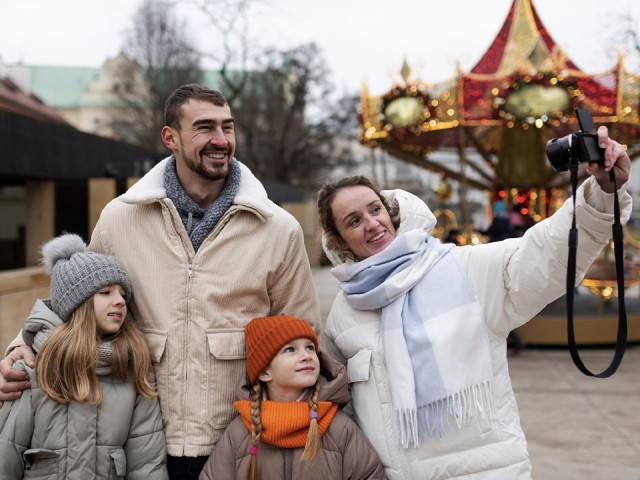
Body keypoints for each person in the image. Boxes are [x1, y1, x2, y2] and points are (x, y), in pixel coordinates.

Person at [0, 84, 321, 480]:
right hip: (140, 442)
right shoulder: (121, 217)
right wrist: (22, 345)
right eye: (205, 128)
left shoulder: (278, 228)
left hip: (240, 443)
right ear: (170, 137)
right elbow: (76, 301)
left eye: (228, 127)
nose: (221, 140)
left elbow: (305, 331)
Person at [315, 127, 631, 480]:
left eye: (375, 209)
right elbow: (344, 412)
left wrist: (604, 191)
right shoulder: (345, 312)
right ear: (339, 240)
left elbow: (545, 251)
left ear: (390, 211)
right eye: (354, 221)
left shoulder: (464, 268)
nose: (372, 224)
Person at [0, 233, 167, 478]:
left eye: (122, 293)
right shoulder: (33, 368)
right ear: (77, 303)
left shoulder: (133, 368)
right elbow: (6, 454)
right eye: (106, 292)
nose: (120, 300)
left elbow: (147, 464)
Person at [199, 315, 386, 480]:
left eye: (310, 347)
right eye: (290, 350)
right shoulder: (239, 433)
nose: (306, 356)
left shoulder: (338, 427)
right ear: (264, 372)